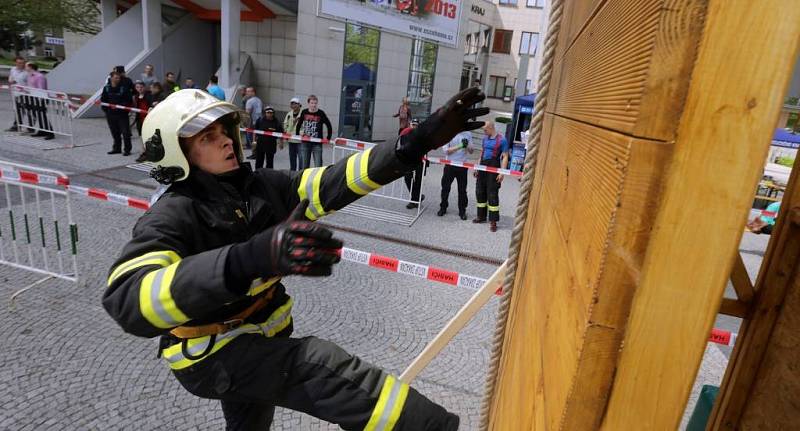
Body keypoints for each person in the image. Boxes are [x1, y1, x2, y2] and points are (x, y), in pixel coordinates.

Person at [103, 87, 488, 430]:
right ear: (177, 153)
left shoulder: (262, 188)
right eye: (208, 137)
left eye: (225, 131)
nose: (226, 143)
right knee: (320, 366)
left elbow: (335, 180)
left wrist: (413, 143)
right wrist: (244, 260)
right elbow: (127, 298)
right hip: (214, 354)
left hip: (261, 336)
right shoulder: (172, 216)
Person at [473, 120, 509, 232]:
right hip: (483, 166)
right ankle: (481, 216)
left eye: (485, 130)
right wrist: (477, 167)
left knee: (492, 194)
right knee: (480, 191)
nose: (484, 132)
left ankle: (493, 221)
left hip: (494, 168)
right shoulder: (485, 139)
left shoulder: (502, 140)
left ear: (491, 128)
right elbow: (482, 153)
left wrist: (502, 172)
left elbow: (505, 156)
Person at [437, 130, 473, 219]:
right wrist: (460, 146)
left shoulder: (468, 133)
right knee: (445, 188)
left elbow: (471, 151)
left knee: (462, 190)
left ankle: (462, 211)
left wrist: (467, 146)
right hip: (450, 165)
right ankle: (443, 207)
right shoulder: (449, 132)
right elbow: (446, 151)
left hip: (462, 165)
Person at [100, 71, 134, 155]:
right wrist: (107, 111)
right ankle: (117, 148)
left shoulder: (124, 88)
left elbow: (129, 100)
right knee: (115, 133)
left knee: (125, 133)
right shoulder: (106, 88)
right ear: (111, 78)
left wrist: (120, 106)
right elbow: (103, 100)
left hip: (122, 115)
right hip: (111, 114)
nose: (118, 79)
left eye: (119, 78)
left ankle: (127, 150)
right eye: (116, 78)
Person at [295, 95, 333, 169]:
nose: (314, 105)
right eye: (312, 103)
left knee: (318, 165)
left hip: (317, 144)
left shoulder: (321, 113)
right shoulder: (304, 112)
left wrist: (328, 138)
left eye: (315, 103)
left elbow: (329, 125)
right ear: (308, 103)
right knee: (305, 165)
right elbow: (299, 124)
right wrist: (298, 134)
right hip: (305, 142)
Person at [25, 62, 55, 140]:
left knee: (42, 115)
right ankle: (42, 130)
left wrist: (40, 99)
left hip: (40, 98)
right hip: (33, 98)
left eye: (26, 66)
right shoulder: (30, 76)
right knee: (37, 115)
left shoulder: (39, 76)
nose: (25, 67)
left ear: (30, 67)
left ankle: (50, 133)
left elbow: (40, 89)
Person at [403, 119, 426, 209]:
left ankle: (414, 201)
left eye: (416, 125)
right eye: (413, 125)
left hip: (420, 160)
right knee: (408, 178)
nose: (414, 126)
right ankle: (417, 197)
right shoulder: (405, 132)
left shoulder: (422, 134)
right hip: (409, 161)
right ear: (410, 125)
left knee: (418, 181)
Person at [6, 56, 28, 132]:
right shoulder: (13, 69)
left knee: (28, 111)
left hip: (25, 94)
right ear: (15, 63)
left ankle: (30, 127)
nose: (21, 64)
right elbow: (10, 77)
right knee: (17, 110)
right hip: (16, 93)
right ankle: (16, 125)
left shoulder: (27, 71)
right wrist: (11, 81)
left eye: (22, 63)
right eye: (19, 63)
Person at [283, 96, 303, 171]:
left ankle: (301, 173)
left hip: (300, 141)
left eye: (295, 104)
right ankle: (292, 173)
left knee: (301, 159)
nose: (293, 105)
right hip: (291, 140)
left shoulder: (303, 114)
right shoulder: (289, 114)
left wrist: (300, 134)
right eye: (292, 104)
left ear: (299, 105)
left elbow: (305, 127)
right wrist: (286, 134)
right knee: (292, 158)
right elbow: (285, 125)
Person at [244, 86, 263, 153]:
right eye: (246, 91)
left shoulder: (249, 101)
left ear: (253, 92)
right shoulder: (259, 100)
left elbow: (247, 113)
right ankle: (257, 151)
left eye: (248, 91)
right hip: (259, 120)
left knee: (251, 138)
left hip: (252, 122)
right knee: (256, 137)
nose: (247, 93)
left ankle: (254, 152)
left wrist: (245, 122)